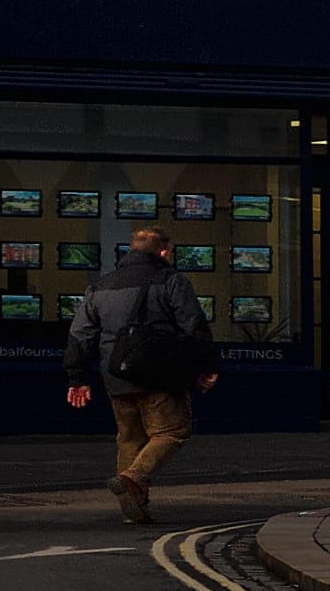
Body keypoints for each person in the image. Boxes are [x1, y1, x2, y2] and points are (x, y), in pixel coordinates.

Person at [65, 222, 218, 524]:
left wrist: (76, 377)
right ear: (163, 251)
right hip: (161, 372)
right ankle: (134, 478)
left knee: (129, 438)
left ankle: (135, 507)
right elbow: (194, 326)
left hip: (116, 372)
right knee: (172, 431)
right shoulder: (171, 280)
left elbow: (79, 336)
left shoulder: (101, 285)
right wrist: (207, 365)